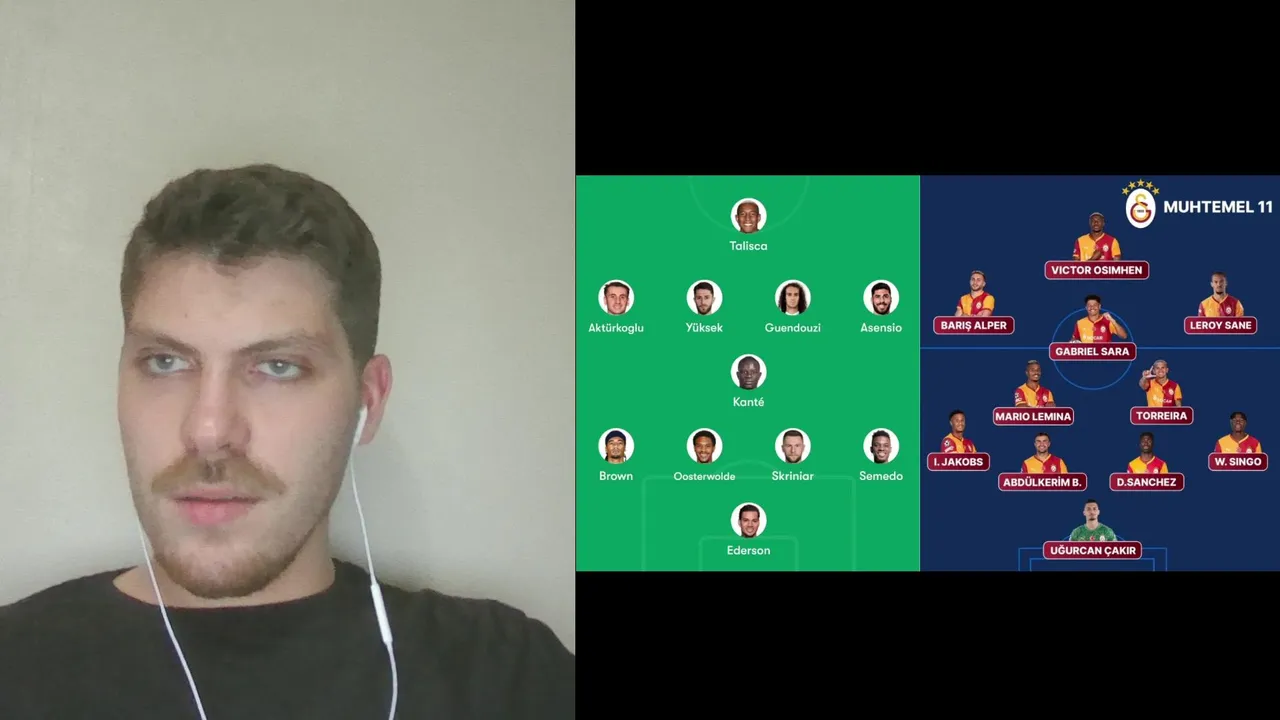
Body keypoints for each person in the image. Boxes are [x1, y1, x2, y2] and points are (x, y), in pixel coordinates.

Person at [0, 165, 574, 719]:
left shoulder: (505, 678)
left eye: (278, 367)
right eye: (166, 362)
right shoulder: (15, 668)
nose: (208, 432)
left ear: (368, 401)